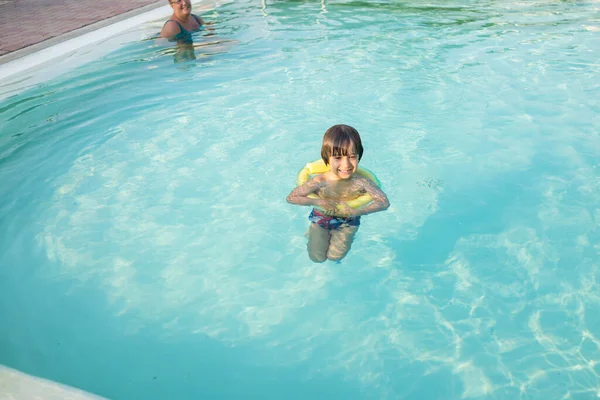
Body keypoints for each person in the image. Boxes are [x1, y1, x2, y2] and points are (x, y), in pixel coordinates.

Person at [287, 125, 390, 263]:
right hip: (322, 218)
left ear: (359, 157)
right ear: (326, 159)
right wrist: (319, 202)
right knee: (317, 257)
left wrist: (359, 211)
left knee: (335, 256)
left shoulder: (362, 182)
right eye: (338, 158)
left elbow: (383, 202)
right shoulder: (320, 180)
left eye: (352, 157)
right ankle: (312, 233)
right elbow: (292, 197)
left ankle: (327, 236)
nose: (346, 164)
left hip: (348, 221)